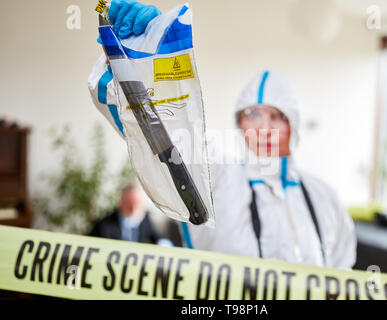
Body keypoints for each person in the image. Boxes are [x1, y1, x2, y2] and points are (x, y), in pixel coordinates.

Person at [88, 0, 356, 269]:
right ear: (239, 124)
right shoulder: (215, 178)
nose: (264, 127)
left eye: (277, 116)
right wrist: (148, 62)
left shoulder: (325, 199)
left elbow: (343, 278)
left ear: (294, 127)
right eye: (253, 114)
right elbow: (170, 132)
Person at [90, 183, 171, 245]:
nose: (133, 208)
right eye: (129, 203)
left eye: (137, 203)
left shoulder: (145, 219)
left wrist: (164, 244)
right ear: (121, 202)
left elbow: (159, 238)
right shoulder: (105, 225)